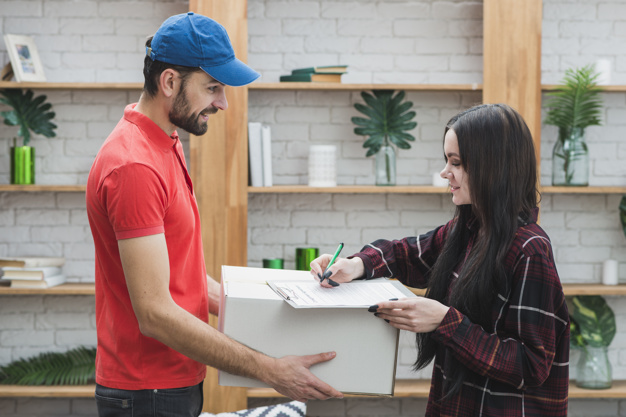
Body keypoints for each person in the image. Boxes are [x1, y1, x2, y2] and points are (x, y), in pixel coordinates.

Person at [86, 12, 342, 417]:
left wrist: (289, 307)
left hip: (172, 379)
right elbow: (154, 314)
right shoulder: (133, 166)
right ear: (169, 81)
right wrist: (270, 370)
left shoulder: (164, 142)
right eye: (212, 88)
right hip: (147, 390)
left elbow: (183, 281)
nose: (222, 103)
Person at [311, 103, 569, 416]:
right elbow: (408, 254)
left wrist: (446, 322)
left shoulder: (530, 250)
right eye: (447, 160)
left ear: (494, 167)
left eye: (456, 163)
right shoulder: (469, 228)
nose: (445, 172)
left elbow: (531, 366)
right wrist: (356, 265)